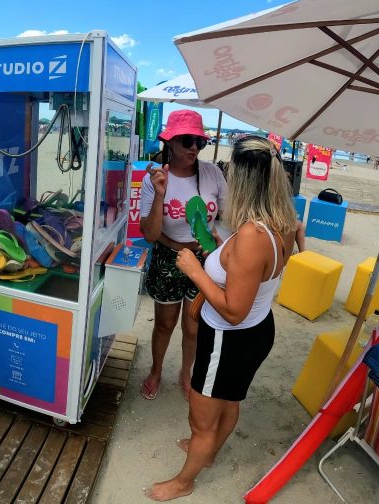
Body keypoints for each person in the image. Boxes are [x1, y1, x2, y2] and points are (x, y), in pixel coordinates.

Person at [146, 136, 297, 501]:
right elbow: (254, 277)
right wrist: (220, 249)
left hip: (230, 339)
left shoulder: (250, 235)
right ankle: (209, 453)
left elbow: (232, 309)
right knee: (230, 401)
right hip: (257, 330)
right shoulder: (283, 224)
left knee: (201, 419)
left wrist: (197, 271)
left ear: (242, 180)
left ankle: (185, 481)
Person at [138, 110, 227, 401]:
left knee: (193, 325)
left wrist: (217, 239)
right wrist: (161, 194)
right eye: (187, 140)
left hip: (204, 259)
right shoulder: (154, 178)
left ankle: (185, 373)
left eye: (199, 142)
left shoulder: (212, 173)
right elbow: (149, 234)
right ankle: (156, 370)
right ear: (171, 142)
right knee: (165, 323)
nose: (194, 148)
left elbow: (227, 215)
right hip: (168, 256)